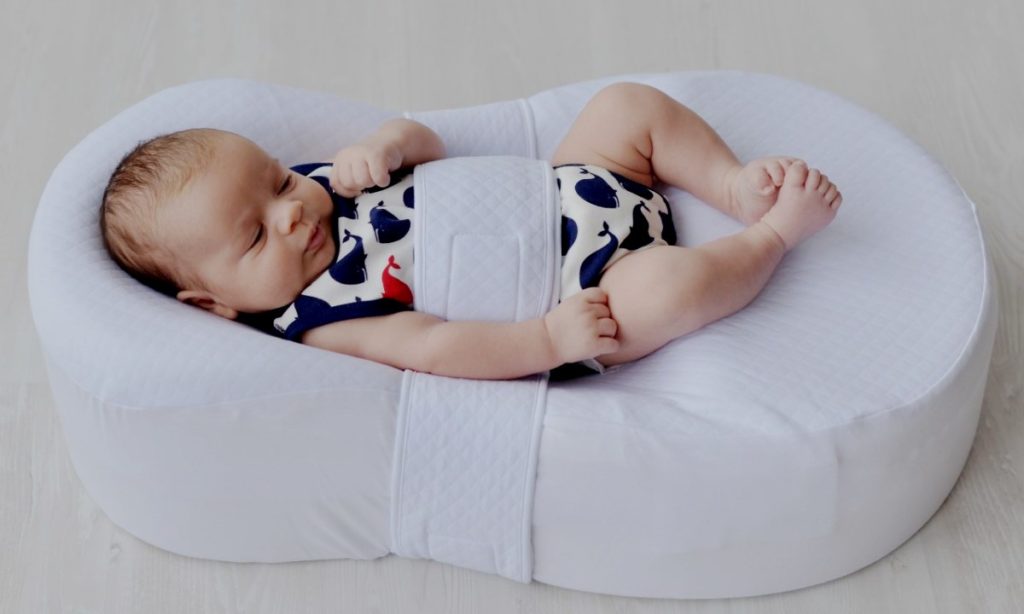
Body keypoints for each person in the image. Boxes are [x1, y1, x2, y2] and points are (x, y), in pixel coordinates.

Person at [101, 82, 841, 381]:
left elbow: (432, 147)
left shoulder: (324, 186)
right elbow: (434, 348)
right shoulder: (325, 319)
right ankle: (774, 236)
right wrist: (548, 339)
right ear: (214, 304)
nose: (289, 212)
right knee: (669, 290)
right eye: (256, 238)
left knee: (625, 106)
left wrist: (388, 142)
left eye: (275, 181)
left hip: (572, 181)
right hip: (584, 290)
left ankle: (731, 184)